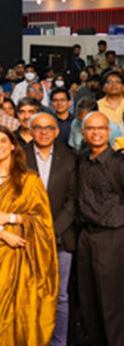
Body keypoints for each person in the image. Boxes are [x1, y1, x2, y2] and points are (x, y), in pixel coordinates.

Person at [0, 126, 57, 346]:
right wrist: (2, 234)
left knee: (23, 305)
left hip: (23, 248)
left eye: (3, 141)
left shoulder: (30, 179)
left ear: (12, 145)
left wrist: (9, 218)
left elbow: (43, 219)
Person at [23, 111, 76, 346]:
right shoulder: (19, 157)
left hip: (61, 237)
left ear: (56, 131)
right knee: (29, 293)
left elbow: (73, 200)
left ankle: (58, 342)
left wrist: (51, 230)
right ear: (31, 131)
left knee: (60, 296)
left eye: (49, 127)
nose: (43, 131)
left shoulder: (71, 158)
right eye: (38, 127)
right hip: (27, 236)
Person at [75, 111, 124, 346]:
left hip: (112, 236)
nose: (96, 132)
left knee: (111, 301)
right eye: (91, 129)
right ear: (83, 133)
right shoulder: (82, 159)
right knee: (87, 298)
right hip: (85, 235)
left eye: (101, 128)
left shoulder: (119, 163)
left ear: (109, 132)